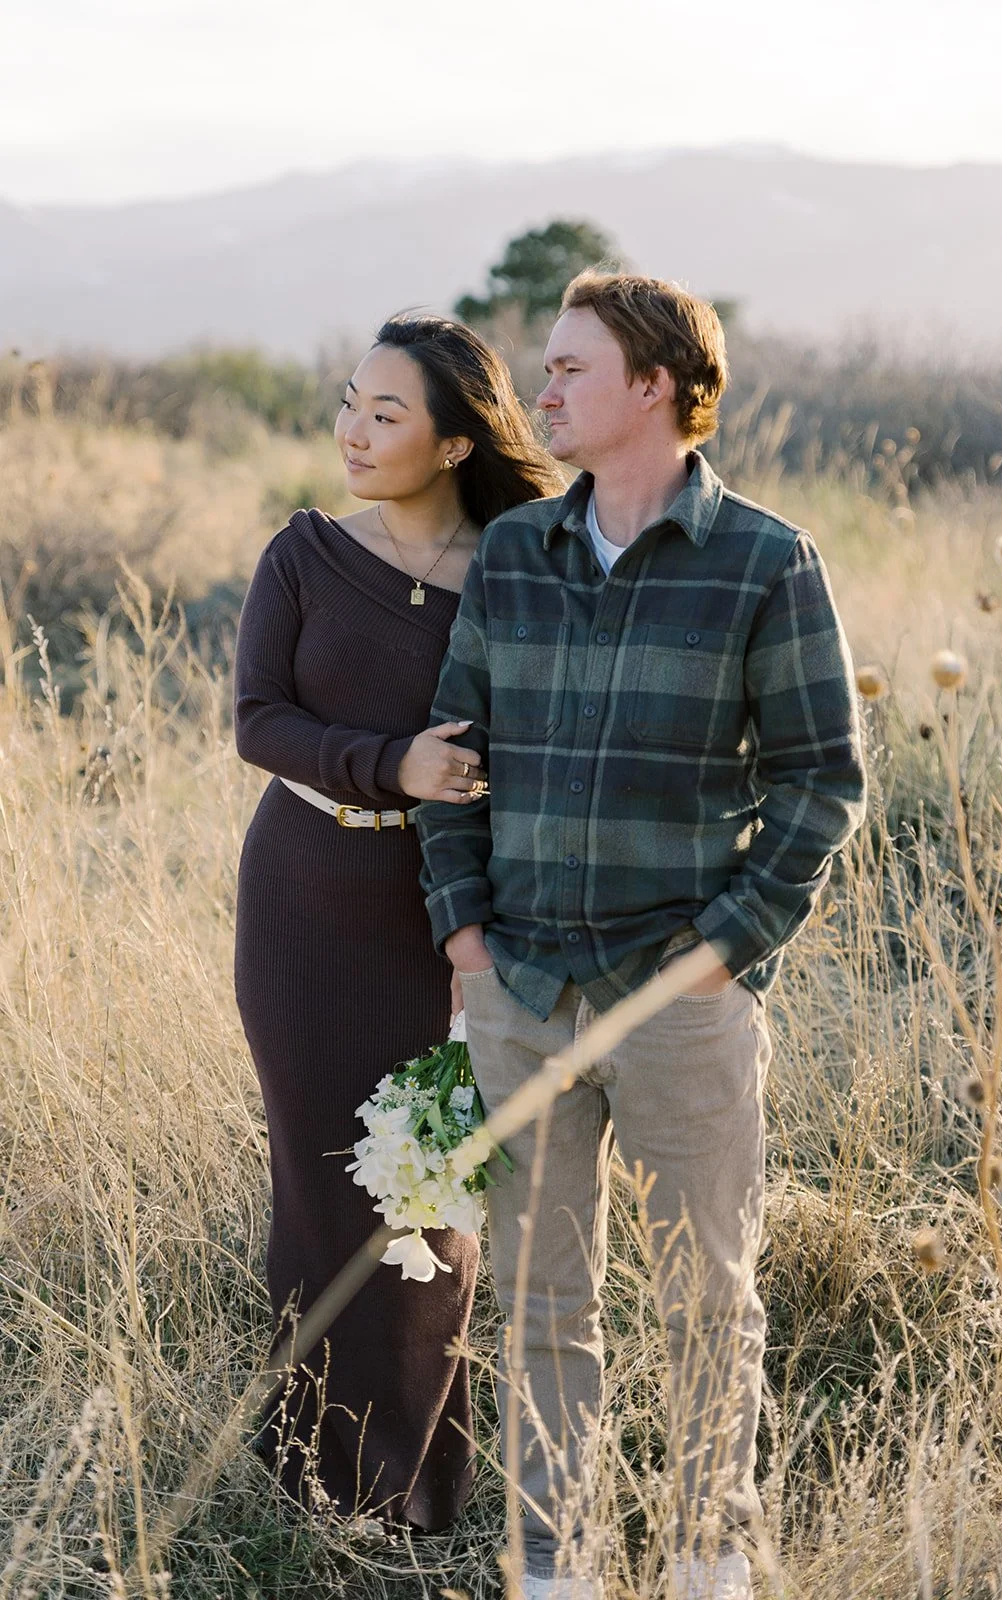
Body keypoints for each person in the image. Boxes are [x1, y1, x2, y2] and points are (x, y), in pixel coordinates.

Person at [417, 273, 866, 1597]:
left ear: (654, 386)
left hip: (679, 1002)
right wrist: (465, 945)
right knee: (540, 1306)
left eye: (566, 369)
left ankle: (703, 1564)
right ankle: (551, 1571)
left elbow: (819, 780)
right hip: (522, 992)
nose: (539, 390)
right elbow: (451, 763)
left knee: (703, 1301)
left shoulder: (764, 562)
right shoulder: (512, 556)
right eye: (543, 368)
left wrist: (720, 953)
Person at [233, 313, 561, 1528]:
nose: (353, 433)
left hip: (440, 918)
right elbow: (257, 721)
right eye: (349, 404)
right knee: (321, 1188)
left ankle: (416, 1486)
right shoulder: (307, 553)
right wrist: (388, 763)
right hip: (301, 902)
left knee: (428, 1190)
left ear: (455, 440)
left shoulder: (517, 572)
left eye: (386, 414)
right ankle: (315, 1486)